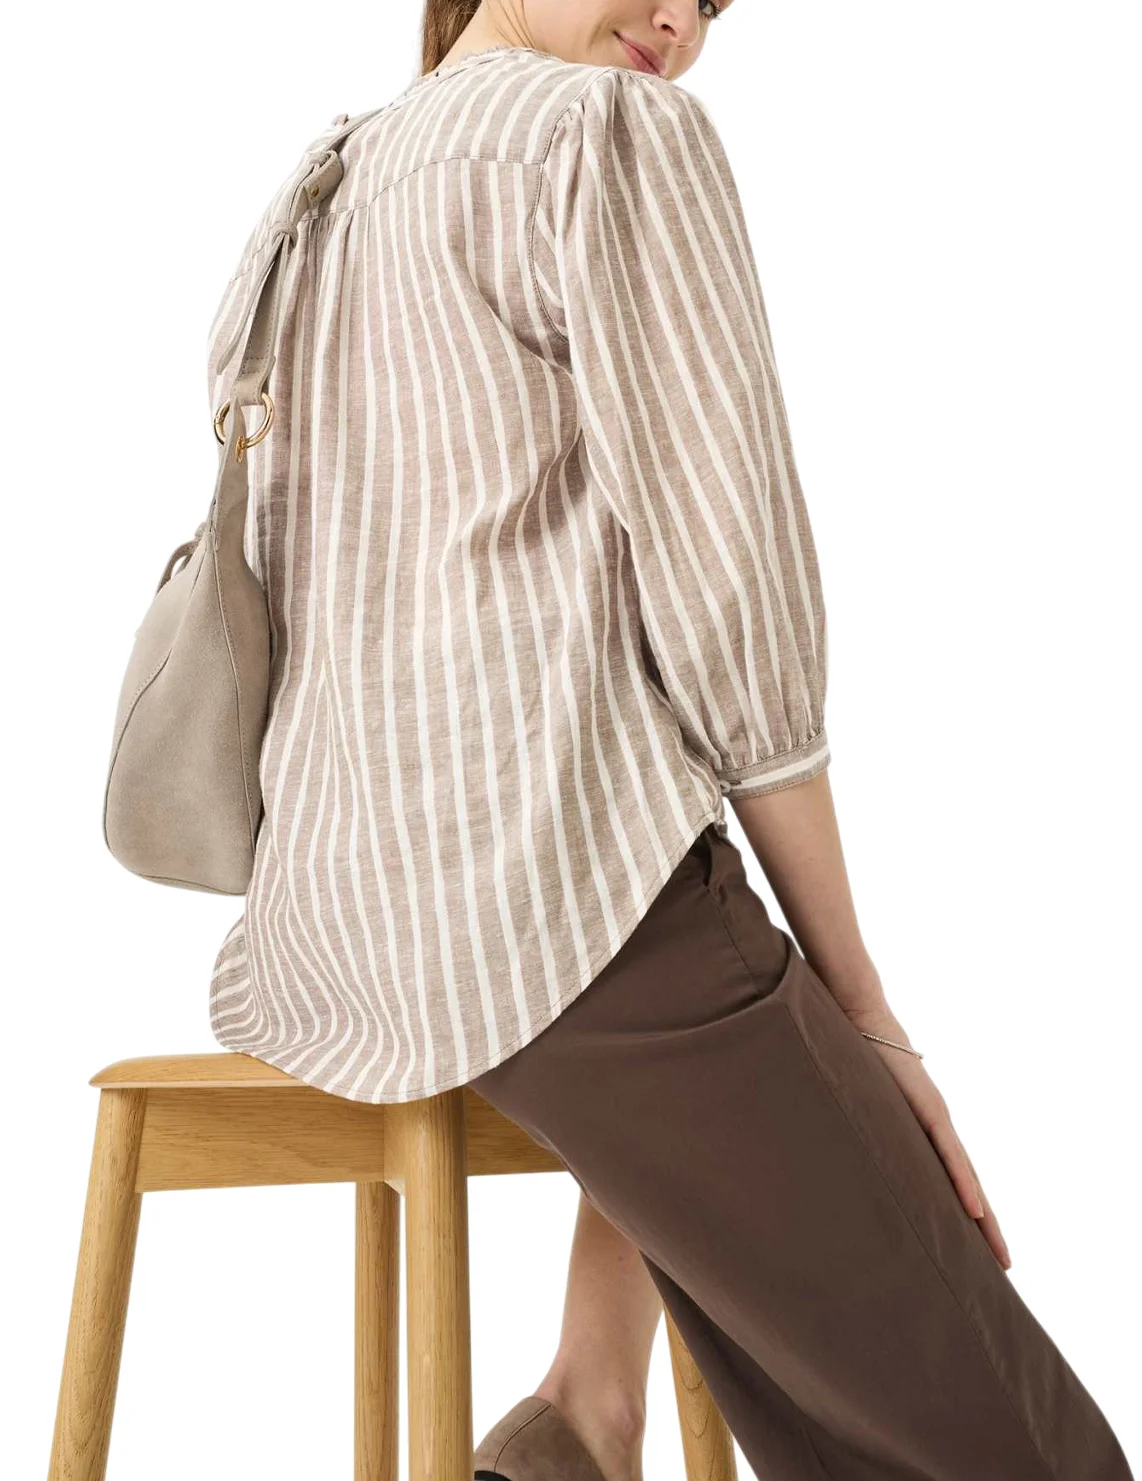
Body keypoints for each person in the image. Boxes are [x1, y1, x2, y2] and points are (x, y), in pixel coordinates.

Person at [204, 2, 1135, 1478]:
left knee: (649, 868)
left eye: (712, 3)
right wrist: (862, 1008)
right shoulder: (606, 130)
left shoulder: (324, 186)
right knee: (1030, 1455)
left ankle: (588, 1404)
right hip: (552, 924)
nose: (677, 26)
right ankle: (590, 1406)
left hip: (333, 935)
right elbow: (729, 590)